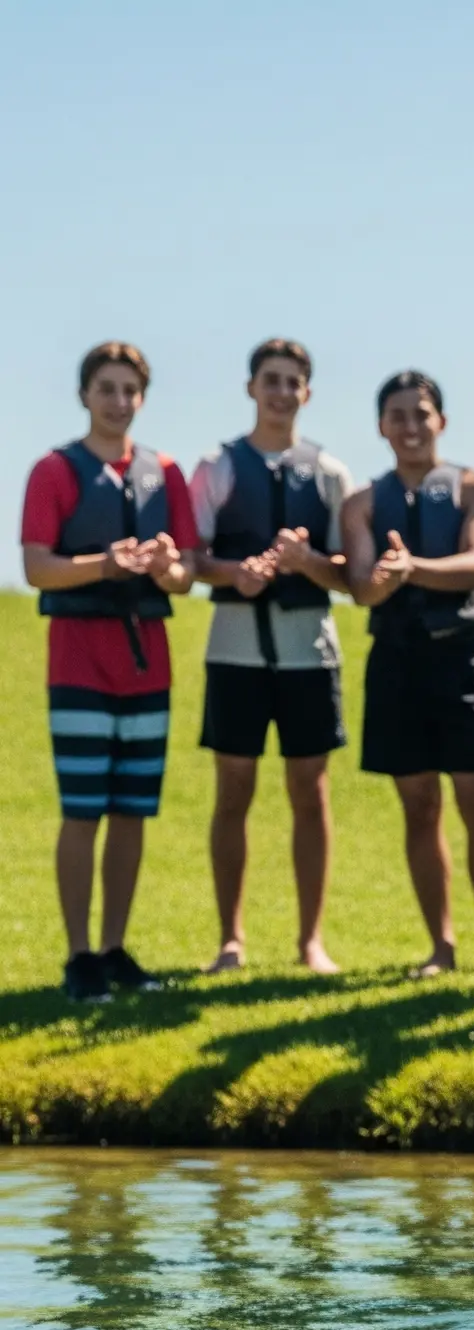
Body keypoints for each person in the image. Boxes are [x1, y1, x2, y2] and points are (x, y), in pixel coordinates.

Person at [19, 341, 197, 1001]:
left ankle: (117, 948)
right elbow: (38, 566)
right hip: (78, 664)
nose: (119, 402)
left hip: (148, 669)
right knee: (83, 810)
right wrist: (104, 564)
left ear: (142, 398)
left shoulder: (166, 473)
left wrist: (158, 566)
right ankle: (79, 956)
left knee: (131, 812)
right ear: (84, 394)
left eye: (130, 391)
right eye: (107, 389)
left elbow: (182, 577)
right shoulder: (53, 471)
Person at [342, 370, 474, 981]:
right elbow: (363, 589)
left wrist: (410, 568)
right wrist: (383, 580)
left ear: (441, 420)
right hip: (396, 663)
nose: (411, 427)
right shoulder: (361, 504)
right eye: (398, 416)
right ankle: (439, 947)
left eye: (421, 414)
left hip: (464, 659)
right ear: (381, 427)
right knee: (419, 805)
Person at [187, 338, 353, 975]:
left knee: (310, 793)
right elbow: (191, 555)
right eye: (271, 380)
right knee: (233, 791)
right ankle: (230, 939)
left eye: (293, 382)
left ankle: (310, 941)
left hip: (310, 651)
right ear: (251, 387)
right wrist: (237, 574)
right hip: (234, 650)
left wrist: (308, 563)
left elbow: (351, 575)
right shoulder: (217, 466)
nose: (282, 392)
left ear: (307, 393)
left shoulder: (332, 475)